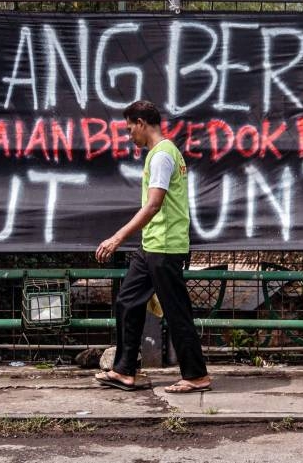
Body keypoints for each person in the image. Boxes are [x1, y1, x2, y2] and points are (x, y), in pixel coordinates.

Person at [93, 100, 211, 393]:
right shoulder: (162, 154)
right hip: (152, 245)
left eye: (130, 127)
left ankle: (196, 376)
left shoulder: (161, 156)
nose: (129, 134)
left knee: (176, 310)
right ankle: (124, 370)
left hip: (165, 247)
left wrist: (117, 238)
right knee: (128, 301)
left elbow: (154, 205)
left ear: (142, 123)